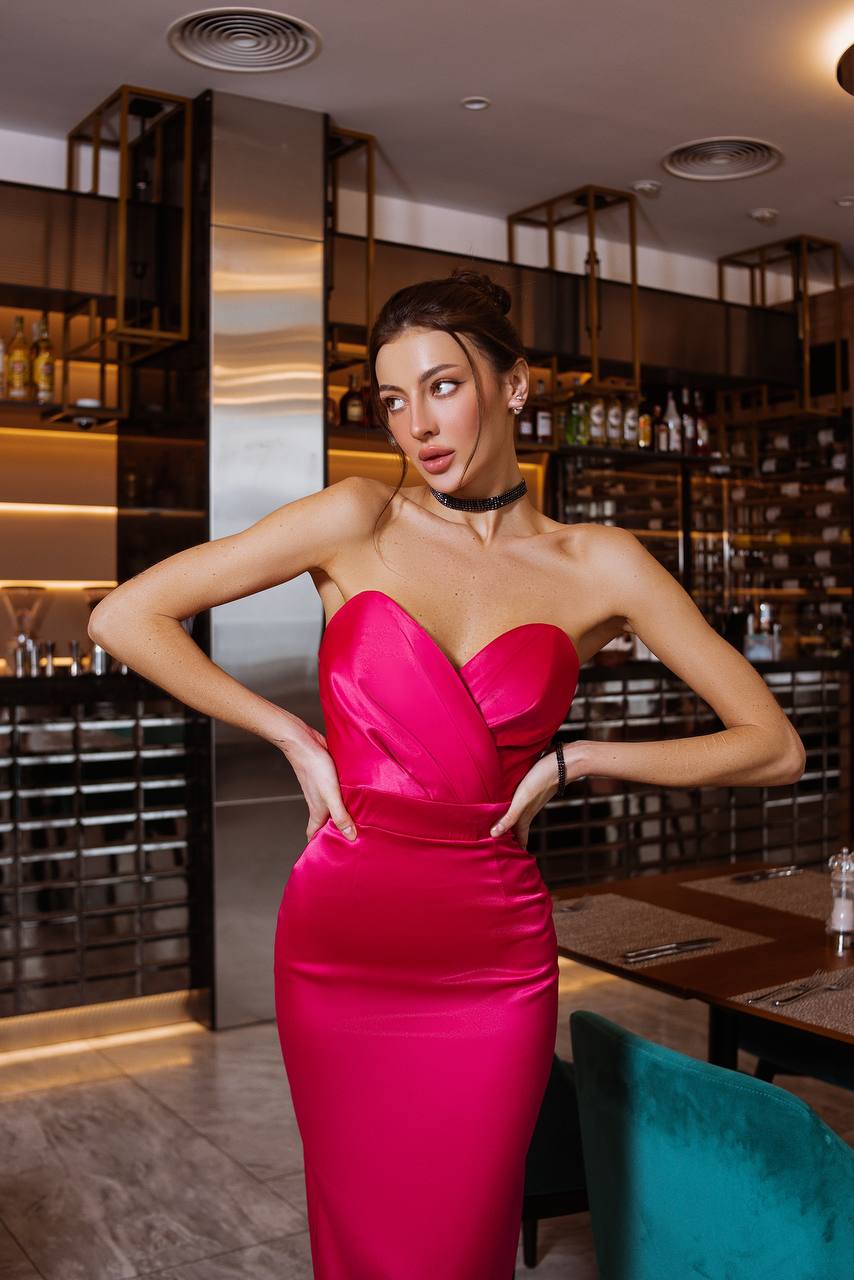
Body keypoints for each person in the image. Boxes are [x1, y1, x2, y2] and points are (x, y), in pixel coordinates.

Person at [89, 267, 806, 1279]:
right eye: (391, 398)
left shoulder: (598, 563)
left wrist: (580, 757)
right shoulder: (356, 519)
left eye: (440, 385)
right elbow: (124, 616)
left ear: (511, 388)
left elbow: (771, 744)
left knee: (462, 1236)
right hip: (343, 935)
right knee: (362, 1232)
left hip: (489, 952)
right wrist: (292, 736)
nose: (415, 423)